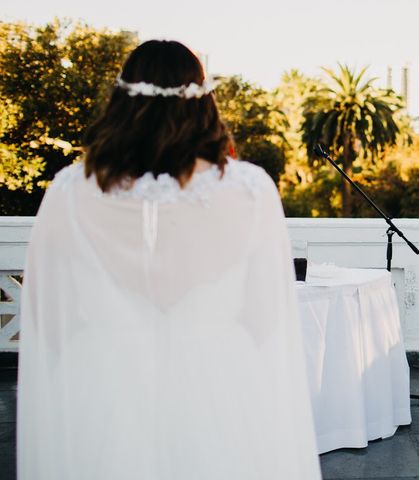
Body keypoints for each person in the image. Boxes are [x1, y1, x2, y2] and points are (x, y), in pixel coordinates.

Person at [17, 40, 321, 480]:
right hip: (216, 393)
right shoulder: (250, 191)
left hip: (102, 393)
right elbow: (266, 318)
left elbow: (47, 321)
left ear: (120, 100)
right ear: (202, 100)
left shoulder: (69, 191)